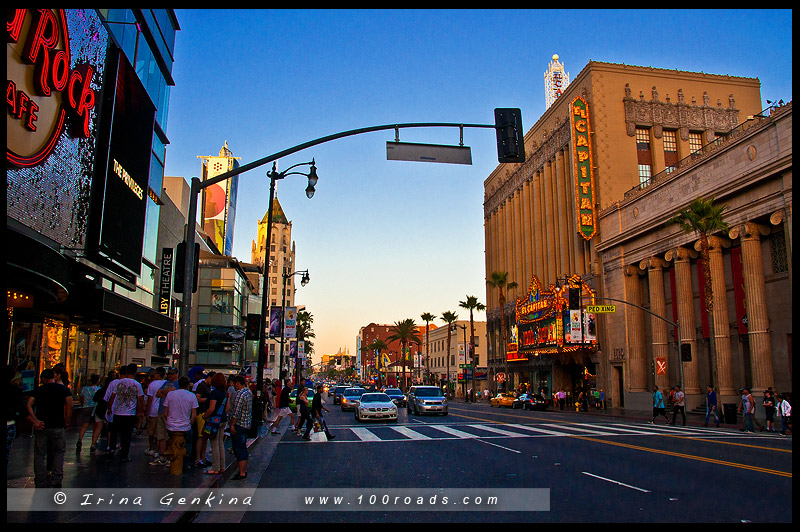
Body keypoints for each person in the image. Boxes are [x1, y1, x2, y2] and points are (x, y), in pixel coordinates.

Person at [26, 368, 73, 488]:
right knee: (58, 452)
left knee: (40, 454)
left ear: (43, 379)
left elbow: (28, 404)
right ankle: (56, 478)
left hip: (42, 426)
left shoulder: (39, 390)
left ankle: (40, 480)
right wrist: (66, 421)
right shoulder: (63, 389)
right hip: (58, 425)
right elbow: (69, 404)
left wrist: (35, 420)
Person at [105, 363, 145, 462]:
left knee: (114, 433)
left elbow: (112, 396)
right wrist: (141, 412)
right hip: (130, 413)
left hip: (118, 412)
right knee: (126, 435)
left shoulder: (119, 383)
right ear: (135, 372)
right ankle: (124, 455)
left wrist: (109, 407)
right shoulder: (137, 384)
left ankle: (112, 450)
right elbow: (140, 399)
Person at [162, 376, 198, 470]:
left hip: (171, 426)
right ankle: (186, 463)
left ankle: (171, 458)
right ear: (188, 385)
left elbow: (165, 413)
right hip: (185, 426)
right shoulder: (192, 396)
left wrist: (171, 420)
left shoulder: (170, 395)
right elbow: (194, 415)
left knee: (171, 441)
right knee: (189, 443)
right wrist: (189, 423)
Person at [203, 373, 230, 475]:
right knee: (220, 444)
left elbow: (211, 408)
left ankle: (215, 468)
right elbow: (227, 408)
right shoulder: (225, 393)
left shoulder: (214, 393)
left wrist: (205, 416)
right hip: (223, 419)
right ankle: (222, 467)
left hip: (214, 420)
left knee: (214, 444)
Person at [228, 375, 252, 480]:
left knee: (239, 448)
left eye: (234, 384)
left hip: (239, 424)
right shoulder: (248, 393)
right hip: (246, 423)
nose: (234, 386)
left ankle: (241, 472)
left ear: (238, 383)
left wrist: (232, 424)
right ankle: (243, 471)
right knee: (243, 447)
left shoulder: (240, 394)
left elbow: (236, 412)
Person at [193, 371, 214, 468]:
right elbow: (197, 398)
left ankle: (203, 457)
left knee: (205, 436)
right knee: (201, 436)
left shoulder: (208, 387)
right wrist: (207, 399)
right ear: (209, 377)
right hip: (202, 413)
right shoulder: (201, 386)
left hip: (206, 413)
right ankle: (198, 458)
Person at [76, 374, 101, 451]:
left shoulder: (85, 389)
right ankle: (94, 442)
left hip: (86, 407)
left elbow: (81, 398)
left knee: (84, 425)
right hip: (95, 408)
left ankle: (80, 439)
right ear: (97, 381)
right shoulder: (99, 389)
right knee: (96, 426)